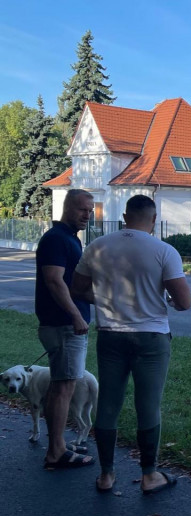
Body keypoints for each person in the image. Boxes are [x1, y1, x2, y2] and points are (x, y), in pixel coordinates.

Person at [72, 194, 191, 494]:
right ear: (153, 219)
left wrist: (104, 300)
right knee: (148, 406)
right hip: (151, 338)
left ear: (125, 216)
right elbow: (185, 302)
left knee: (109, 404)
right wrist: (166, 301)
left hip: (111, 335)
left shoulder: (97, 246)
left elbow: (78, 289)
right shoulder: (164, 251)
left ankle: (106, 475)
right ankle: (150, 475)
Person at [35, 188, 96, 469]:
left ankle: (57, 446)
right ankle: (56, 452)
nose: (88, 215)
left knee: (64, 385)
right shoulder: (56, 239)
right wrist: (75, 316)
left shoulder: (70, 239)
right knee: (63, 387)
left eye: (90, 210)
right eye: (83, 209)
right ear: (67, 207)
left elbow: (74, 285)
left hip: (66, 324)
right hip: (63, 325)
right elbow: (54, 281)